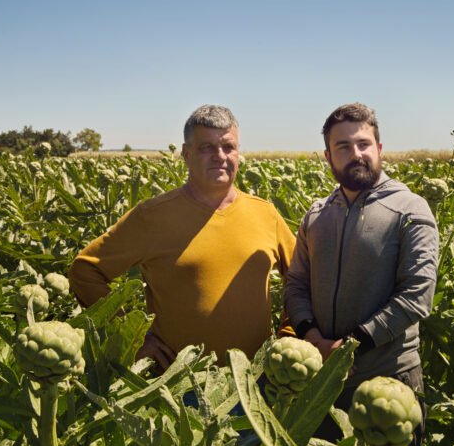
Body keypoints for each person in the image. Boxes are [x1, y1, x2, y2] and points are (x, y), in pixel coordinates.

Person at [68, 105, 295, 370]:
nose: (220, 156)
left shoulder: (265, 213)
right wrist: (130, 338)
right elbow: (85, 271)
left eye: (228, 147)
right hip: (178, 382)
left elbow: (302, 278)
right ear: (186, 154)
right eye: (206, 147)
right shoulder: (152, 216)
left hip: (256, 378)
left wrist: (288, 334)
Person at [284, 103, 438, 446]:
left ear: (379, 149)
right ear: (328, 156)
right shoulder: (316, 215)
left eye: (364, 144)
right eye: (343, 147)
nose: (356, 154)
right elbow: (295, 285)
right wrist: (312, 338)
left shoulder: (410, 209)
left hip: (389, 384)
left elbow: (417, 295)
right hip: (322, 383)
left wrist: (352, 346)